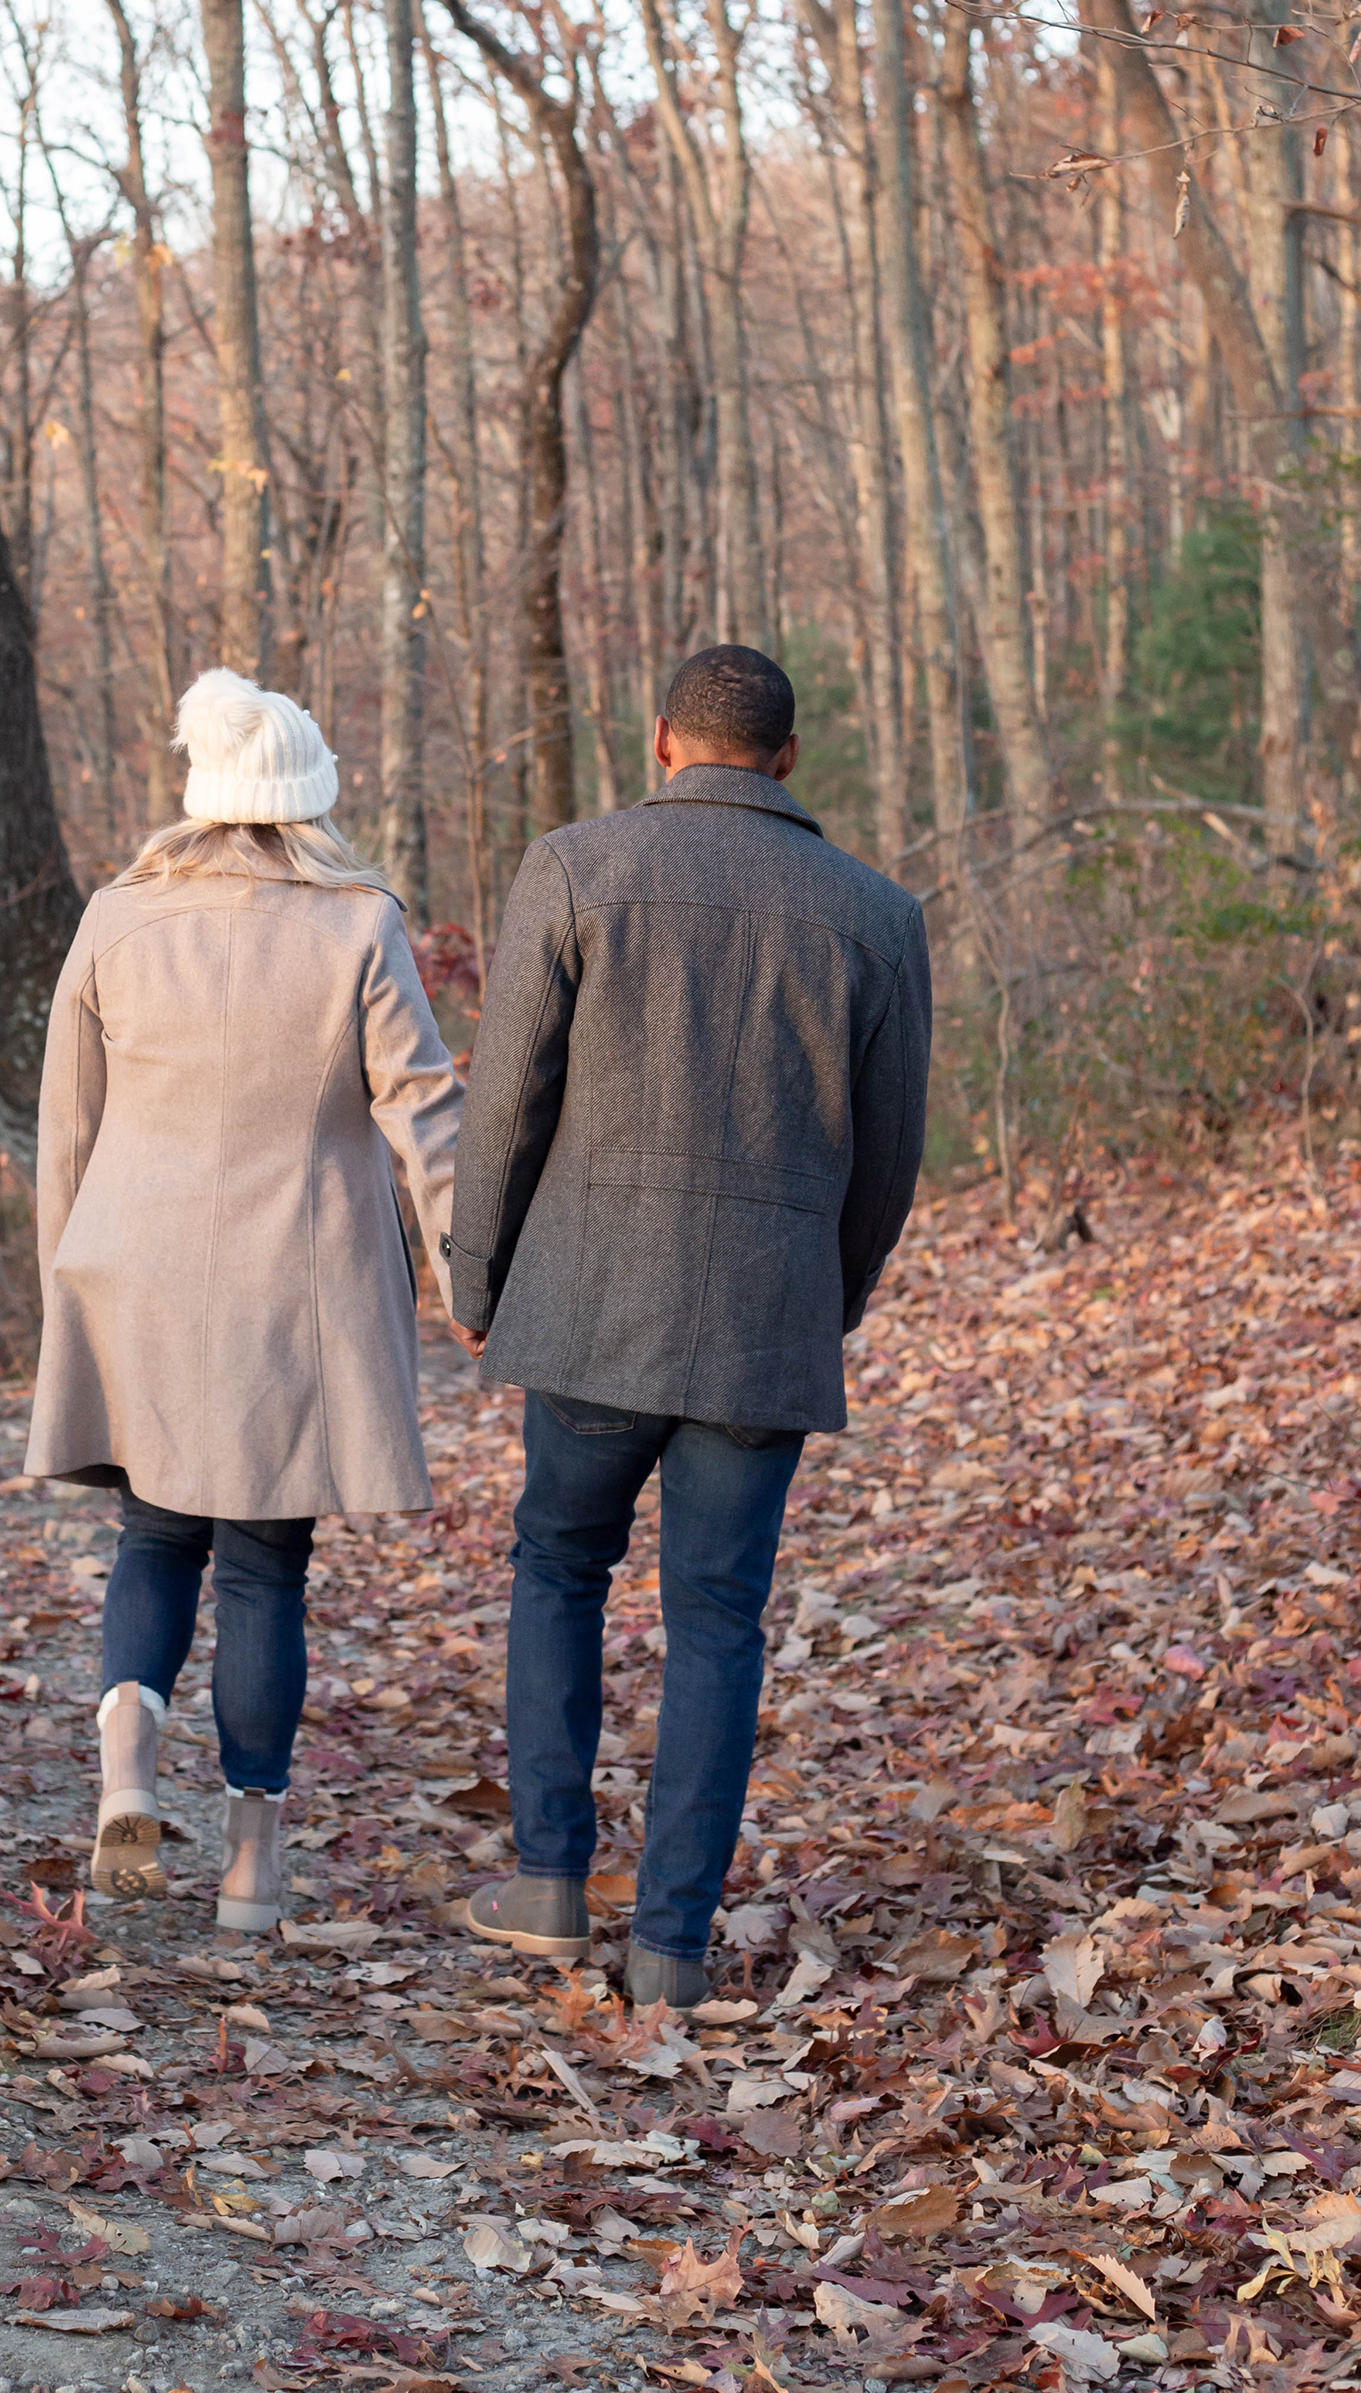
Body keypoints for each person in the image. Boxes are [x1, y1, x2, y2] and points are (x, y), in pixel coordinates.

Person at [443, 645, 930, 2009]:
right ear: (785, 757)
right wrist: (820, 1301)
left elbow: (507, 1098)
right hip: (759, 1322)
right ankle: (669, 1947)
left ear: (661, 741)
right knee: (718, 1622)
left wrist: (477, 1280)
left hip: (590, 1305)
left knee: (559, 1567)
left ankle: (548, 1879)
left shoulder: (576, 866)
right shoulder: (876, 915)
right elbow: (887, 1161)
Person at [25, 668, 461, 1926]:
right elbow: (424, 1110)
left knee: (156, 1536)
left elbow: (67, 1128)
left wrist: (70, 1285)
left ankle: (123, 1758)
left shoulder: (115, 919)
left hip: (137, 1274)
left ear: (202, 796)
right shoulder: (361, 923)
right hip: (295, 1283)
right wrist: (461, 1264)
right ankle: (252, 1867)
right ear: (308, 801)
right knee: (267, 1570)